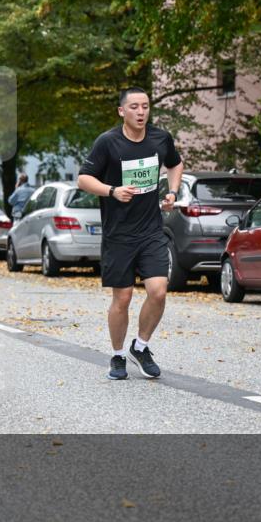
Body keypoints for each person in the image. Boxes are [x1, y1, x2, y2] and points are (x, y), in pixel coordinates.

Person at [77, 87, 183, 381]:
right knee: (122, 298)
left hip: (150, 230)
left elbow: (175, 164)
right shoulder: (108, 143)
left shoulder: (160, 139)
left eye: (145, 106)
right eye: (134, 107)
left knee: (158, 291)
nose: (141, 112)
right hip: (118, 234)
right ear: (121, 111)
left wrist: (172, 192)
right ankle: (118, 355)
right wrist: (112, 191)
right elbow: (84, 179)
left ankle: (142, 346)